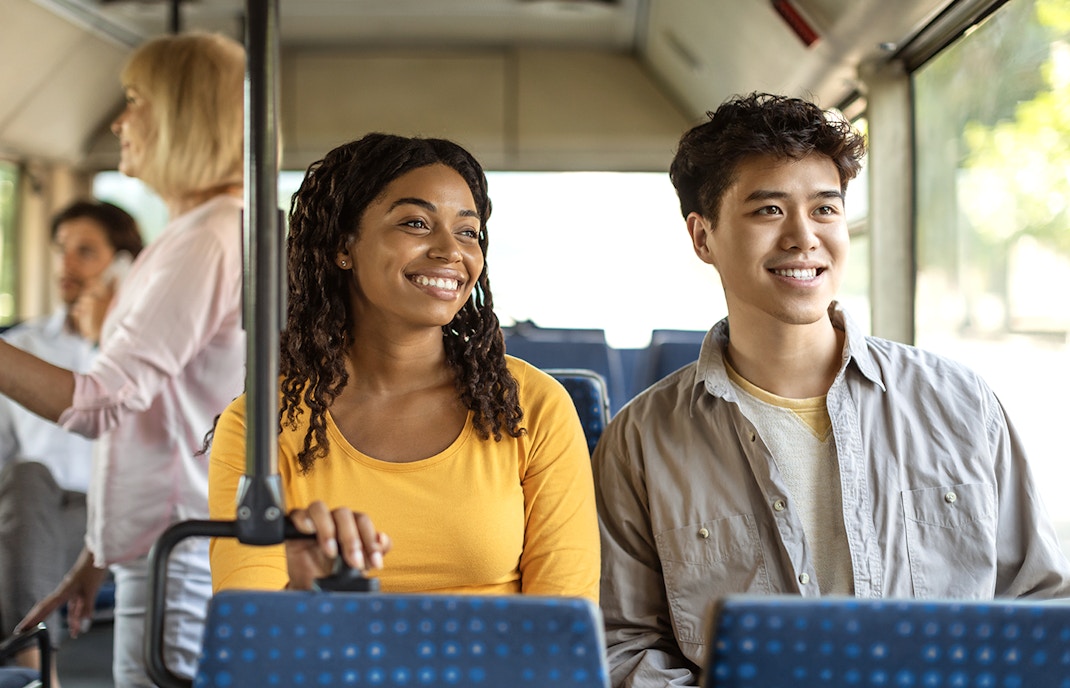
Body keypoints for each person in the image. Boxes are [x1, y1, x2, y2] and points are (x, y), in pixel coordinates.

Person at [592, 92, 1070, 687]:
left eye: (825, 209)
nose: (803, 237)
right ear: (703, 237)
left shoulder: (961, 405)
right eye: (768, 211)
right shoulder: (641, 442)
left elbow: (1038, 604)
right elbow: (625, 645)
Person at [208, 133, 599, 601]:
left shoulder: (533, 407)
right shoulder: (260, 425)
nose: (450, 250)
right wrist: (303, 589)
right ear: (343, 246)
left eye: (468, 231)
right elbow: (252, 647)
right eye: (416, 223)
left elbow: (564, 632)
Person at [3, 32, 246, 687]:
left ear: (182, 117)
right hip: (156, 544)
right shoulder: (194, 234)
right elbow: (157, 421)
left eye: (135, 101)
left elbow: (101, 402)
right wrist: (97, 554)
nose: (119, 120)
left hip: (180, 554)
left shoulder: (207, 240)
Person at [0, 200, 143, 685]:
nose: (67, 264)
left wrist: (104, 334)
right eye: (62, 250)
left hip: (100, 509)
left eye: (85, 252)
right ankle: (40, 671)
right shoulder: (23, 346)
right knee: (25, 476)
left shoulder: (135, 352)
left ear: (122, 263)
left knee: (23, 518)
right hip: (31, 504)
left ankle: (32, 668)